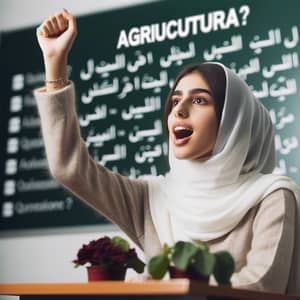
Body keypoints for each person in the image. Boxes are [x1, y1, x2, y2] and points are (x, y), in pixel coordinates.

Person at [34, 9, 300, 294]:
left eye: (199, 100)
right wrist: (54, 63)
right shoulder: (153, 198)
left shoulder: (272, 197)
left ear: (232, 119)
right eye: (174, 102)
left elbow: (262, 285)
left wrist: (162, 286)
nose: (179, 111)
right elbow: (69, 168)